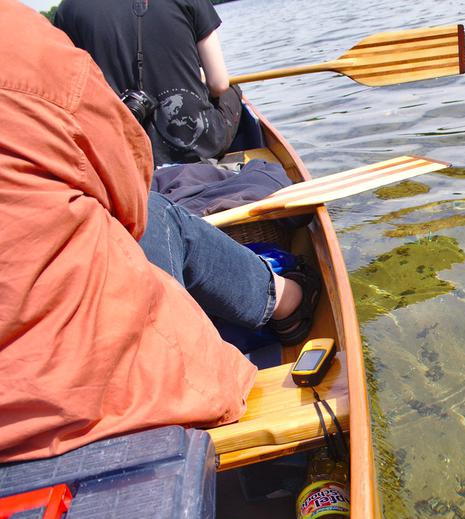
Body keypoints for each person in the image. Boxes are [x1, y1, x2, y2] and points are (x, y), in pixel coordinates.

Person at [0, 0, 317, 463]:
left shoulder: (67, 12)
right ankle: (285, 299)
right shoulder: (22, 42)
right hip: (90, 391)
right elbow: (218, 88)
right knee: (156, 210)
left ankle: (278, 299)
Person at [54, 0, 241, 166]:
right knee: (232, 90)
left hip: (122, 156)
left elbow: (70, 95)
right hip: (199, 143)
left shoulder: (68, 9)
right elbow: (219, 84)